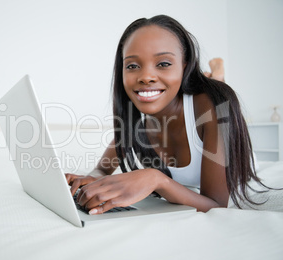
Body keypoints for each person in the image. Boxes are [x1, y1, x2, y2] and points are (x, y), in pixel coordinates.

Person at [66, 15, 265, 215]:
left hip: (235, 151)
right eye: (132, 66)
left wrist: (156, 179)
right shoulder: (136, 128)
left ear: (185, 66)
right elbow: (101, 169)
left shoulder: (213, 104)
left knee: (216, 90)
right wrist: (91, 177)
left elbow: (216, 204)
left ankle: (216, 77)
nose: (145, 77)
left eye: (163, 64)